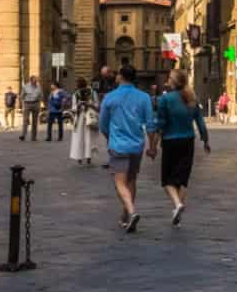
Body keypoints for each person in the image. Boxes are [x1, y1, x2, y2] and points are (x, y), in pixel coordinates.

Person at [99, 64, 155, 232]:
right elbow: (150, 125)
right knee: (131, 180)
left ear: (121, 77)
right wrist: (152, 147)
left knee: (120, 183)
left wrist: (110, 138)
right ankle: (125, 217)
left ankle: (131, 212)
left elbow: (103, 124)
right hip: (137, 145)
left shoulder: (110, 97)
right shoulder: (144, 97)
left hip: (118, 145)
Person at [153, 76, 211, 226]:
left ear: (173, 82)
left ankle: (178, 204)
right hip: (188, 142)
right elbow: (200, 123)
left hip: (170, 141)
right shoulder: (192, 99)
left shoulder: (165, 99)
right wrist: (205, 140)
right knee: (182, 180)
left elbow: (160, 124)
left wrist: (153, 145)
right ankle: (177, 213)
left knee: (167, 180)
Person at [69, 78, 97, 166]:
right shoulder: (77, 94)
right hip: (82, 117)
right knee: (85, 137)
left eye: (77, 83)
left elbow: (73, 108)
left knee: (83, 137)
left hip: (86, 117)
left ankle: (83, 158)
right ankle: (85, 158)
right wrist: (79, 105)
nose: (76, 85)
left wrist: (88, 104)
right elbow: (74, 107)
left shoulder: (91, 93)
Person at [19, 75, 43, 141]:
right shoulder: (26, 86)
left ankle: (33, 137)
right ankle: (23, 135)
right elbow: (21, 96)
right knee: (26, 120)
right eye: (34, 80)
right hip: (27, 104)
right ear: (31, 80)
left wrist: (40, 104)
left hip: (36, 104)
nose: (36, 82)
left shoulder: (39, 87)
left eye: (36, 80)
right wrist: (23, 105)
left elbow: (41, 96)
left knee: (35, 121)